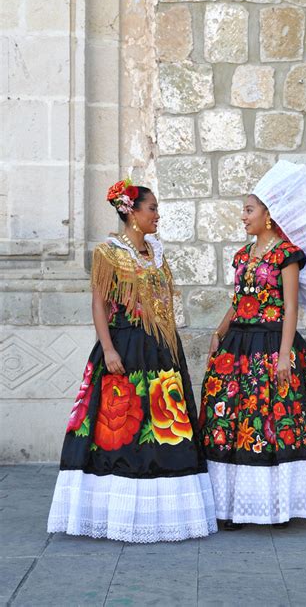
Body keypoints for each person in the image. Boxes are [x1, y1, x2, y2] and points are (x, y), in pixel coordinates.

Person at [48, 179, 217, 542]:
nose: (157, 214)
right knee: (122, 431)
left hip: (161, 349)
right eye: (151, 208)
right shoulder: (108, 253)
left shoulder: (155, 252)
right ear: (131, 212)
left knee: (165, 429)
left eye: (156, 208)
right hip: (125, 345)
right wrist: (108, 349)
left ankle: (164, 512)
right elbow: (99, 304)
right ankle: (118, 512)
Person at [199, 160, 306, 528]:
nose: (243, 216)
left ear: (267, 215)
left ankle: (276, 504)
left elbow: (290, 309)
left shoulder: (286, 256)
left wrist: (285, 356)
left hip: (273, 344)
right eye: (244, 210)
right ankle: (233, 505)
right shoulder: (244, 255)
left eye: (249, 209)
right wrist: (219, 331)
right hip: (237, 344)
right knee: (231, 420)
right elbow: (239, 299)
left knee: (270, 421)